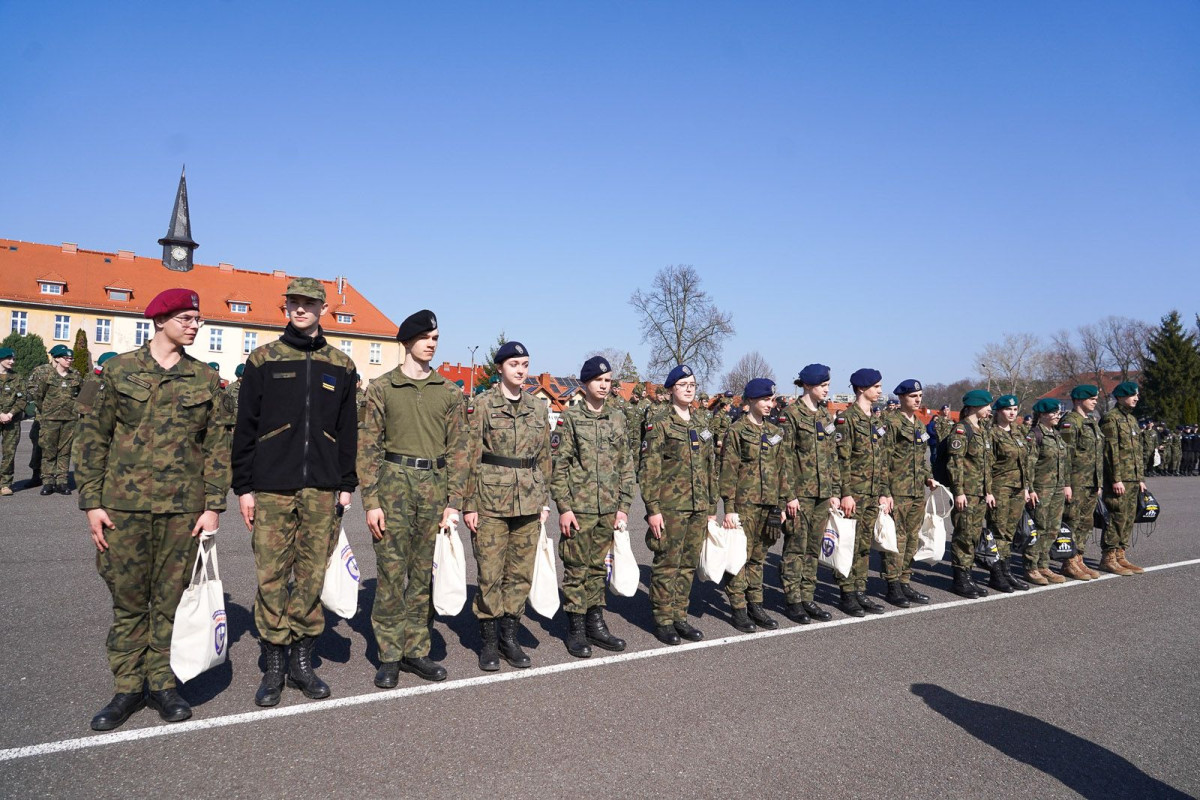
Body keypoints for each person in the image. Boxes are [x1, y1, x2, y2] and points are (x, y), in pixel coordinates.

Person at [75, 288, 232, 731]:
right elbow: (91, 438)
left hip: (182, 511)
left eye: (197, 319)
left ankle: (162, 683)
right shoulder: (115, 371)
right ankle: (126, 687)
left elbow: (218, 446)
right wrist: (92, 503)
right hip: (122, 509)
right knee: (127, 601)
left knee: (170, 601)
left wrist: (214, 506)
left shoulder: (204, 379)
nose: (194, 325)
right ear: (159, 320)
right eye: (186, 317)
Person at [232, 277, 358, 707]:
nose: (300, 309)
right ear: (285, 307)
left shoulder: (340, 364)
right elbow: (245, 426)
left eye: (309, 303)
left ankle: (303, 660)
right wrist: (244, 487)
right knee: (270, 576)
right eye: (294, 303)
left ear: (323, 308)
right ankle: (274, 663)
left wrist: (346, 484)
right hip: (271, 487)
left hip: (322, 489)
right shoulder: (264, 358)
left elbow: (348, 431)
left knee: (310, 577)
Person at [359, 310, 467, 686]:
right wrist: (370, 500)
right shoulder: (382, 388)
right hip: (393, 484)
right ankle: (389, 654)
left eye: (436, 338)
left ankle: (416, 650)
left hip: (434, 487)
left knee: (423, 574)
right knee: (390, 573)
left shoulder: (449, 392)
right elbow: (368, 446)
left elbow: (459, 450)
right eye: (425, 337)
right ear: (407, 341)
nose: (432, 343)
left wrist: (454, 501)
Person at [462, 341, 552, 670]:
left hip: (528, 501)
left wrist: (544, 500)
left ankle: (509, 638)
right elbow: (469, 455)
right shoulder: (482, 404)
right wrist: (468, 504)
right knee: (490, 573)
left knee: (520, 575)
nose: (520, 369)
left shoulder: (538, 407)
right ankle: (487, 642)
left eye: (525, 364)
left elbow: (545, 457)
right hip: (489, 502)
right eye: (514, 364)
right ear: (500, 367)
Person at [550, 355, 634, 656]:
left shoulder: (617, 417)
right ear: (585, 384)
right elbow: (558, 465)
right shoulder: (571, 418)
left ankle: (596, 624)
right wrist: (564, 507)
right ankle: (575, 629)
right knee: (576, 569)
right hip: (580, 509)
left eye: (608, 380)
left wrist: (624, 505)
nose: (603, 385)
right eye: (598, 380)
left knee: (599, 568)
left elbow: (626, 463)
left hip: (609, 507)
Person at [637, 364, 717, 645]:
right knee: (667, 564)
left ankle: (680, 615)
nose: (689, 388)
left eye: (692, 384)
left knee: (687, 565)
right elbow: (649, 469)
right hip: (670, 507)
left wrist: (710, 508)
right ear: (671, 389)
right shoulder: (659, 423)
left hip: (697, 507)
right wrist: (653, 510)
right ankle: (663, 620)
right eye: (683, 384)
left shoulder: (702, 424)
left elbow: (710, 468)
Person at [717, 378, 788, 632]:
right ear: (750, 401)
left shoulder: (776, 433)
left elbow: (782, 471)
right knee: (739, 558)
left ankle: (755, 604)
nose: (770, 404)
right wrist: (730, 509)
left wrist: (780, 505)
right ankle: (738, 608)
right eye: (764, 399)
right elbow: (729, 471)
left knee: (758, 557)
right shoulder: (737, 431)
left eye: (771, 399)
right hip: (744, 506)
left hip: (768, 506)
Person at [778, 364, 842, 624]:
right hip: (800, 495)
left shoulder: (826, 416)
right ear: (808, 386)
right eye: (823, 385)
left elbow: (832, 457)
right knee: (795, 547)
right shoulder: (791, 414)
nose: (827, 389)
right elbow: (784, 458)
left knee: (813, 548)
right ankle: (793, 600)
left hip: (822, 493)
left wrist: (835, 491)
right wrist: (788, 495)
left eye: (827, 385)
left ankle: (807, 597)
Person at [834, 369, 892, 616]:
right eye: (876, 387)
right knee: (849, 543)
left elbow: (883, 461)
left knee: (864, 546)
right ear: (861, 389)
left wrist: (884, 492)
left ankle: (860, 590)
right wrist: (845, 493)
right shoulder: (847, 419)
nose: (880, 391)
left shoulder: (877, 422)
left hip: (872, 493)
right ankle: (847, 594)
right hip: (854, 494)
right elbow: (841, 461)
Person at [882, 380, 934, 606]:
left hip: (915, 491)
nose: (918, 400)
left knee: (912, 539)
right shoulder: (890, 422)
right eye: (913, 396)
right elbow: (883, 460)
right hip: (897, 491)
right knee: (897, 539)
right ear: (902, 397)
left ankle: (905, 581)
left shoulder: (919, 425)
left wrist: (928, 477)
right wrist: (885, 491)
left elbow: (922, 459)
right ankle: (892, 586)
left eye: (920, 395)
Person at [945, 390, 995, 598]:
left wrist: (989, 492)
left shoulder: (981, 430)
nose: (990, 409)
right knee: (963, 535)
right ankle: (960, 579)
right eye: (986, 405)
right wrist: (958, 491)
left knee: (973, 535)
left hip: (980, 493)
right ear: (975, 406)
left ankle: (968, 575)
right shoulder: (961, 430)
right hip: (966, 493)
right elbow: (954, 463)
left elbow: (985, 466)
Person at [1099, 381, 1146, 575]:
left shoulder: (1132, 420)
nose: (1136, 398)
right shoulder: (1111, 419)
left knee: (1128, 518)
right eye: (1132, 395)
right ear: (1120, 397)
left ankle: (1120, 554)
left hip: (1133, 478)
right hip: (1119, 479)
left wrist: (1140, 478)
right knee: (1116, 516)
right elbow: (1111, 452)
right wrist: (1116, 479)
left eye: (1136, 395)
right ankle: (1108, 557)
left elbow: (1137, 451)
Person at [1058, 385, 1103, 580]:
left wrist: (1099, 482)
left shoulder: (1091, 422)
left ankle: (1079, 558)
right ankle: (1069, 561)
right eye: (1091, 398)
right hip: (1076, 481)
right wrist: (1066, 483)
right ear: (1078, 400)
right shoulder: (1070, 422)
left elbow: (1096, 455)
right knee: (1072, 520)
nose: (1095, 401)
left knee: (1086, 522)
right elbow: (1065, 455)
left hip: (1091, 481)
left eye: (1096, 398)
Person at [987, 395, 1032, 591]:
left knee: (1010, 532)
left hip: (1018, 489)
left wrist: (1027, 488)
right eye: (1008, 409)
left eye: (1015, 409)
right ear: (999, 411)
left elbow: (1026, 462)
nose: (1012, 413)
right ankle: (997, 574)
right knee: (999, 531)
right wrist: (988, 491)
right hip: (1000, 488)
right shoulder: (992, 434)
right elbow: (986, 466)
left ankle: (1006, 572)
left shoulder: (1018, 432)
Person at [1025, 399, 1072, 584]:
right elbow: (1029, 464)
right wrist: (1030, 489)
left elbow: (1065, 463)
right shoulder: (1035, 435)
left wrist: (1067, 484)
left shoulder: (1057, 435)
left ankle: (1044, 565)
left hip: (1057, 489)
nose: (1057, 416)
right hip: (1041, 489)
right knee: (1038, 528)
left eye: (1058, 413)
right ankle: (1031, 566)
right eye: (1054, 413)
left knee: (1052, 529)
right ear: (1043, 415)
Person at [26, 344, 82, 494]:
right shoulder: (45, 374)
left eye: (71, 358)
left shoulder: (75, 375)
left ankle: (62, 481)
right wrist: (46, 411)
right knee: (48, 450)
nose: (70, 360)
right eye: (67, 358)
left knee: (64, 450)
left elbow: (82, 394)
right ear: (57, 358)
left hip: (69, 419)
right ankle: (48, 481)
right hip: (49, 418)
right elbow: (37, 396)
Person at [0, 347, 25, 496]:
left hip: (12, 420)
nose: (12, 361)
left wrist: (10, 413)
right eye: (9, 358)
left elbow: (23, 399)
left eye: (13, 359)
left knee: (9, 453)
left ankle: (5, 484)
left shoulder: (17, 378)